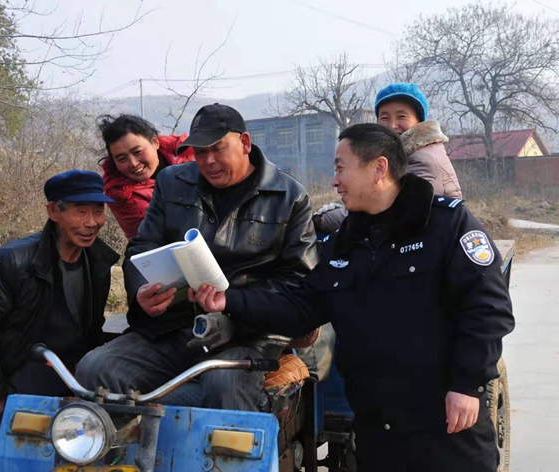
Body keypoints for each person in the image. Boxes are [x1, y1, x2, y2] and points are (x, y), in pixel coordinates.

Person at [190, 124, 514, 471]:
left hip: (445, 424)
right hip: (378, 432)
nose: (334, 180)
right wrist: (230, 301)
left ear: (379, 168)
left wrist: (467, 385)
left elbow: (488, 310)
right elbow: (300, 305)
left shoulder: (448, 225)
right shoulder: (344, 243)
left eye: (341, 167)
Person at [76, 103, 319, 411]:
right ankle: (118, 453)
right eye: (200, 152)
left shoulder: (288, 196)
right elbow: (142, 246)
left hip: (248, 334)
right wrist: (142, 291)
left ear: (245, 143)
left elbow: (299, 287)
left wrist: (231, 302)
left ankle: (223, 459)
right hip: (174, 326)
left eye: (218, 149)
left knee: (223, 386)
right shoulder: (173, 182)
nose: (209, 161)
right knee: (95, 369)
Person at [0, 170, 120, 437]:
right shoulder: (13, 262)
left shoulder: (97, 260)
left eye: (98, 211)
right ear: (53, 212)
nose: (92, 222)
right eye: (80, 212)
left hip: (73, 377)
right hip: (20, 376)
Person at [313, 82, 462, 234]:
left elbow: (388, 209)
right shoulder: (396, 156)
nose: (392, 125)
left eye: (402, 116)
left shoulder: (423, 159)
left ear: (419, 122)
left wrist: (322, 220)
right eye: (384, 117)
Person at [98, 114, 195, 239]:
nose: (133, 163)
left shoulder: (186, 150)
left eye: (137, 152)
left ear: (155, 142)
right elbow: (165, 237)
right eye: (122, 159)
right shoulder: (123, 196)